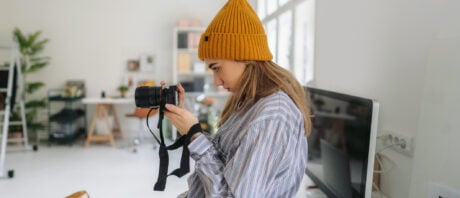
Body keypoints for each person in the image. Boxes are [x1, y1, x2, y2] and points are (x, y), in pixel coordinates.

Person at [164, 0, 312, 197]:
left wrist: (194, 135)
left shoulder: (271, 117)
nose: (216, 81)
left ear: (244, 57)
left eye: (217, 68)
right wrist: (189, 129)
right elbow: (225, 159)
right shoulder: (250, 103)